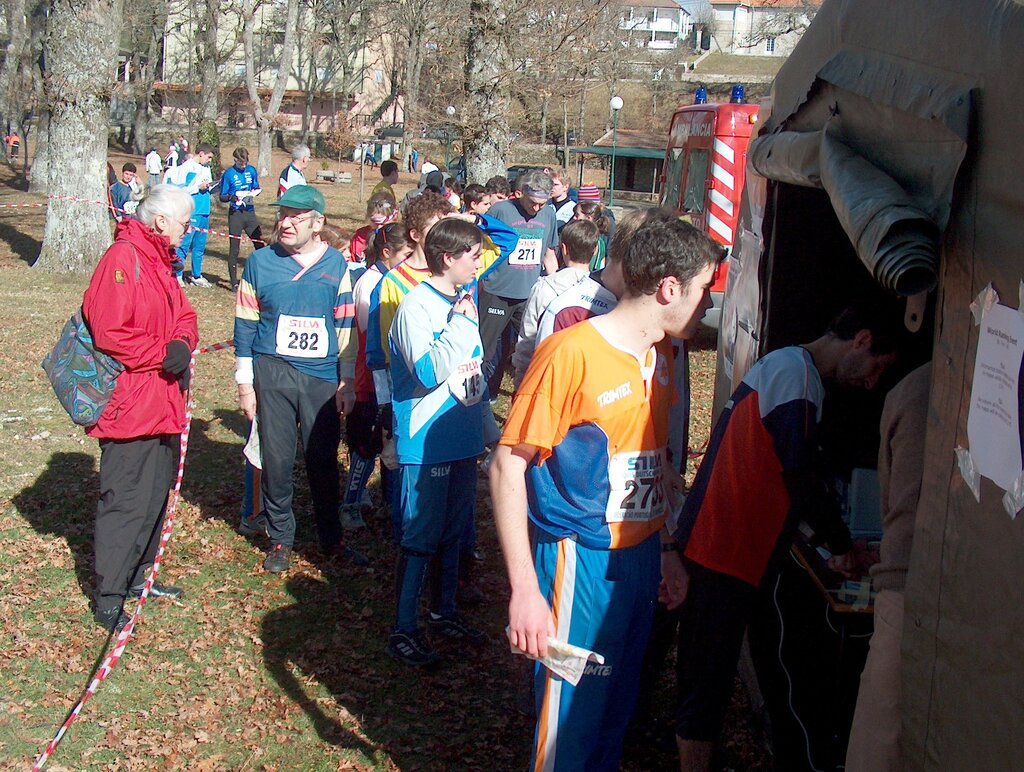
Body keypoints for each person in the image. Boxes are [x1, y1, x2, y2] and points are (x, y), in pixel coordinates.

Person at [490, 214, 722, 771]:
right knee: (572, 717)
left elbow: (650, 466)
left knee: (615, 711)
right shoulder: (571, 353)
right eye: (703, 290)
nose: (709, 304)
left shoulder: (661, 354)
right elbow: (505, 467)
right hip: (580, 561)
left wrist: (666, 548)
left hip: (639, 560)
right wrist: (525, 588)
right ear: (669, 288)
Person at [671, 306, 901, 772]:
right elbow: (800, 474)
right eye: (878, 367)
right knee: (708, 679)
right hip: (725, 549)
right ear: (861, 338)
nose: (872, 382)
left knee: (714, 671)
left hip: (729, 546)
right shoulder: (795, 373)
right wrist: (839, 544)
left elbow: (784, 475)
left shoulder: (794, 370)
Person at [82, 185, 199, 632]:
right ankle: (109, 593)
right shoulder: (123, 258)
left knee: (155, 493)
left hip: (164, 399)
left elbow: (185, 316)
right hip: (130, 402)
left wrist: (182, 344)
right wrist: (160, 352)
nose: (188, 231)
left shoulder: (161, 261)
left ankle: (139, 577)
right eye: (185, 223)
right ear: (162, 221)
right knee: (126, 497)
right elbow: (110, 331)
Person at [233, 185, 366, 573]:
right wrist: (245, 383)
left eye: (297, 216)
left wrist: (347, 381)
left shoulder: (336, 265)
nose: (286, 222)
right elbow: (245, 323)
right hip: (271, 371)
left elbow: (344, 325)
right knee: (275, 459)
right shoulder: (260, 263)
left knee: (322, 458)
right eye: (283, 215)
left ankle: (331, 538)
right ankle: (280, 539)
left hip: (321, 376)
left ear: (318, 223)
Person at [386, 217, 490, 666]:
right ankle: (403, 629)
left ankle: (443, 611)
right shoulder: (416, 307)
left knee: (453, 533)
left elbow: (473, 377)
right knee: (420, 537)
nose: (479, 262)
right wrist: (463, 327)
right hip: (426, 441)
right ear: (447, 258)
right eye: (472, 255)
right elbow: (428, 373)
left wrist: (490, 435)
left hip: (462, 439)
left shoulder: (464, 301)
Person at [845, 362, 930, 772]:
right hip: (912, 583)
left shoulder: (912, 389)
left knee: (881, 736)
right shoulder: (921, 390)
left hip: (908, 584)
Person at [342, 222, 413, 532]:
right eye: (407, 254)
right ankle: (350, 503)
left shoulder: (388, 278)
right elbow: (369, 335)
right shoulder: (372, 284)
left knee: (385, 442)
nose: (412, 260)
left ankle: (386, 501)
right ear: (387, 253)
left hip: (384, 379)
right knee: (365, 446)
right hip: (368, 381)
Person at [479, 169, 560, 398]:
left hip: (529, 294)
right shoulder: (501, 211)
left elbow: (548, 253)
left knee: (527, 348)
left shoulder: (549, 215)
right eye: (533, 202)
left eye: (542, 204)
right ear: (521, 192)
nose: (536, 208)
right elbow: (481, 248)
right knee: (487, 347)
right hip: (497, 291)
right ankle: (481, 397)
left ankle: (523, 396)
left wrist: (557, 286)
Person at [511, 218, 599, 387]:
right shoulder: (602, 293)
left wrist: (521, 380)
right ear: (595, 250)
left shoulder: (544, 287)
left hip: (545, 374)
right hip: (583, 379)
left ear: (563, 248)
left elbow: (528, 337)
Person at [168, 143, 215, 287]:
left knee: (199, 245)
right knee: (185, 244)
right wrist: (197, 188)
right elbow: (180, 189)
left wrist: (211, 186)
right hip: (192, 210)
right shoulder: (186, 167)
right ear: (201, 153)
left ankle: (196, 275)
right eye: (209, 157)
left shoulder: (206, 168)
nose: (210, 160)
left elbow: (207, 185)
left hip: (204, 210)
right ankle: (178, 274)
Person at [219, 147, 263, 291]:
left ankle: (261, 277)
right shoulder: (229, 174)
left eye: (245, 163)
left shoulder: (251, 170)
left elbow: (256, 186)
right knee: (234, 249)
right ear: (235, 160)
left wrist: (254, 192)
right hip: (236, 214)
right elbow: (222, 196)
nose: (243, 166)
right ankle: (234, 283)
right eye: (240, 163)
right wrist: (233, 197)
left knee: (260, 244)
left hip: (249, 212)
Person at [349, 191, 397, 264]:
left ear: (395, 214)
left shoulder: (400, 237)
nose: (379, 227)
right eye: (374, 222)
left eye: (382, 222)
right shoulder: (360, 237)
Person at [572, 201, 612, 270]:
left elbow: (597, 268)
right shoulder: (578, 237)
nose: (574, 218)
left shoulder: (597, 242)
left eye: (577, 215)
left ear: (588, 218)